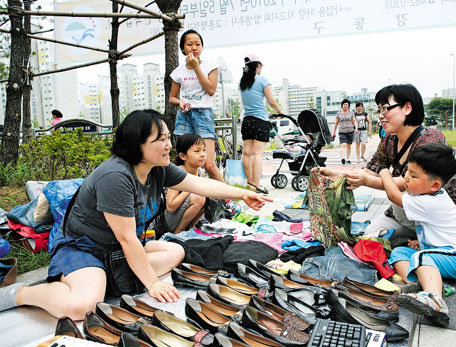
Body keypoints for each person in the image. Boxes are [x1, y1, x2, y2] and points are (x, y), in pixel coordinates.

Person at [0, 110, 270, 320]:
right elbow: (128, 239)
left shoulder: (158, 168)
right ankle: (19, 294)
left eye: (168, 137)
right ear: (137, 144)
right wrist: (152, 284)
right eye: (160, 139)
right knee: (81, 306)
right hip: (84, 248)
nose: (168, 145)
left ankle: (106, 278)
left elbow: (200, 185)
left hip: (117, 248)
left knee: (177, 252)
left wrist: (242, 193)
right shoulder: (116, 177)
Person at [321, 84, 456, 246]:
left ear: (407, 108)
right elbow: (370, 171)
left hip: (438, 219)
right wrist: (334, 173)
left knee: (385, 231)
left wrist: (366, 180)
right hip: (405, 213)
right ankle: (412, 238)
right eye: (379, 110)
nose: (380, 116)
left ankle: (431, 240)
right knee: (368, 239)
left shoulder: (430, 140)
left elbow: (407, 184)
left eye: (385, 109)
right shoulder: (390, 141)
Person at [379, 143, 456, 327]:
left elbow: (394, 195)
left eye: (413, 175)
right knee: (399, 254)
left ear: (434, 185)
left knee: (420, 257)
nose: (406, 178)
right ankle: (420, 284)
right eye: (407, 172)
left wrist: (384, 172)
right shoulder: (427, 194)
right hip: (445, 256)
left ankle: (435, 299)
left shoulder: (430, 201)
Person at [169, 29, 223, 182]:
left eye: (198, 44)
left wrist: (196, 67)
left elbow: (211, 90)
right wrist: (180, 102)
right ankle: (192, 198)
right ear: (183, 48)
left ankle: (227, 198)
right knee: (184, 163)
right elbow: (172, 97)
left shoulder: (211, 66)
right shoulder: (178, 72)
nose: (194, 48)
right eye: (190, 44)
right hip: (185, 116)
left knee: (209, 164)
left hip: (203, 114)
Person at [239, 53, 282, 194]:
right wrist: (279, 111)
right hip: (260, 120)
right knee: (257, 154)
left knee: (247, 153)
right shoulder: (263, 80)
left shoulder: (242, 82)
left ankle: (250, 183)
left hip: (247, 121)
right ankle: (257, 184)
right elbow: (271, 101)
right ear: (257, 65)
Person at [164, 133, 206, 234]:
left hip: (185, 218)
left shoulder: (200, 172)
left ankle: (190, 229)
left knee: (209, 195)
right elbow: (171, 206)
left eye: (204, 150)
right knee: (198, 197)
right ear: (183, 156)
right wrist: (190, 187)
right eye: (197, 151)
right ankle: (178, 232)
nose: (203, 154)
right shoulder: (178, 173)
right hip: (169, 220)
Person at [331, 99, 358, 164]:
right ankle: (343, 158)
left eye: (347, 104)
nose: (346, 106)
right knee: (343, 144)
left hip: (350, 130)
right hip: (342, 131)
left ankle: (347, 159)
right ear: (342, 105)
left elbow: (354, 121)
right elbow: (336, 123)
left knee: (349, 145)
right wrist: (334, 132)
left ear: (348, 106)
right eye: (344, 104)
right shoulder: (338, 113)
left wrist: (356, 128)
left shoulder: (351, 113)